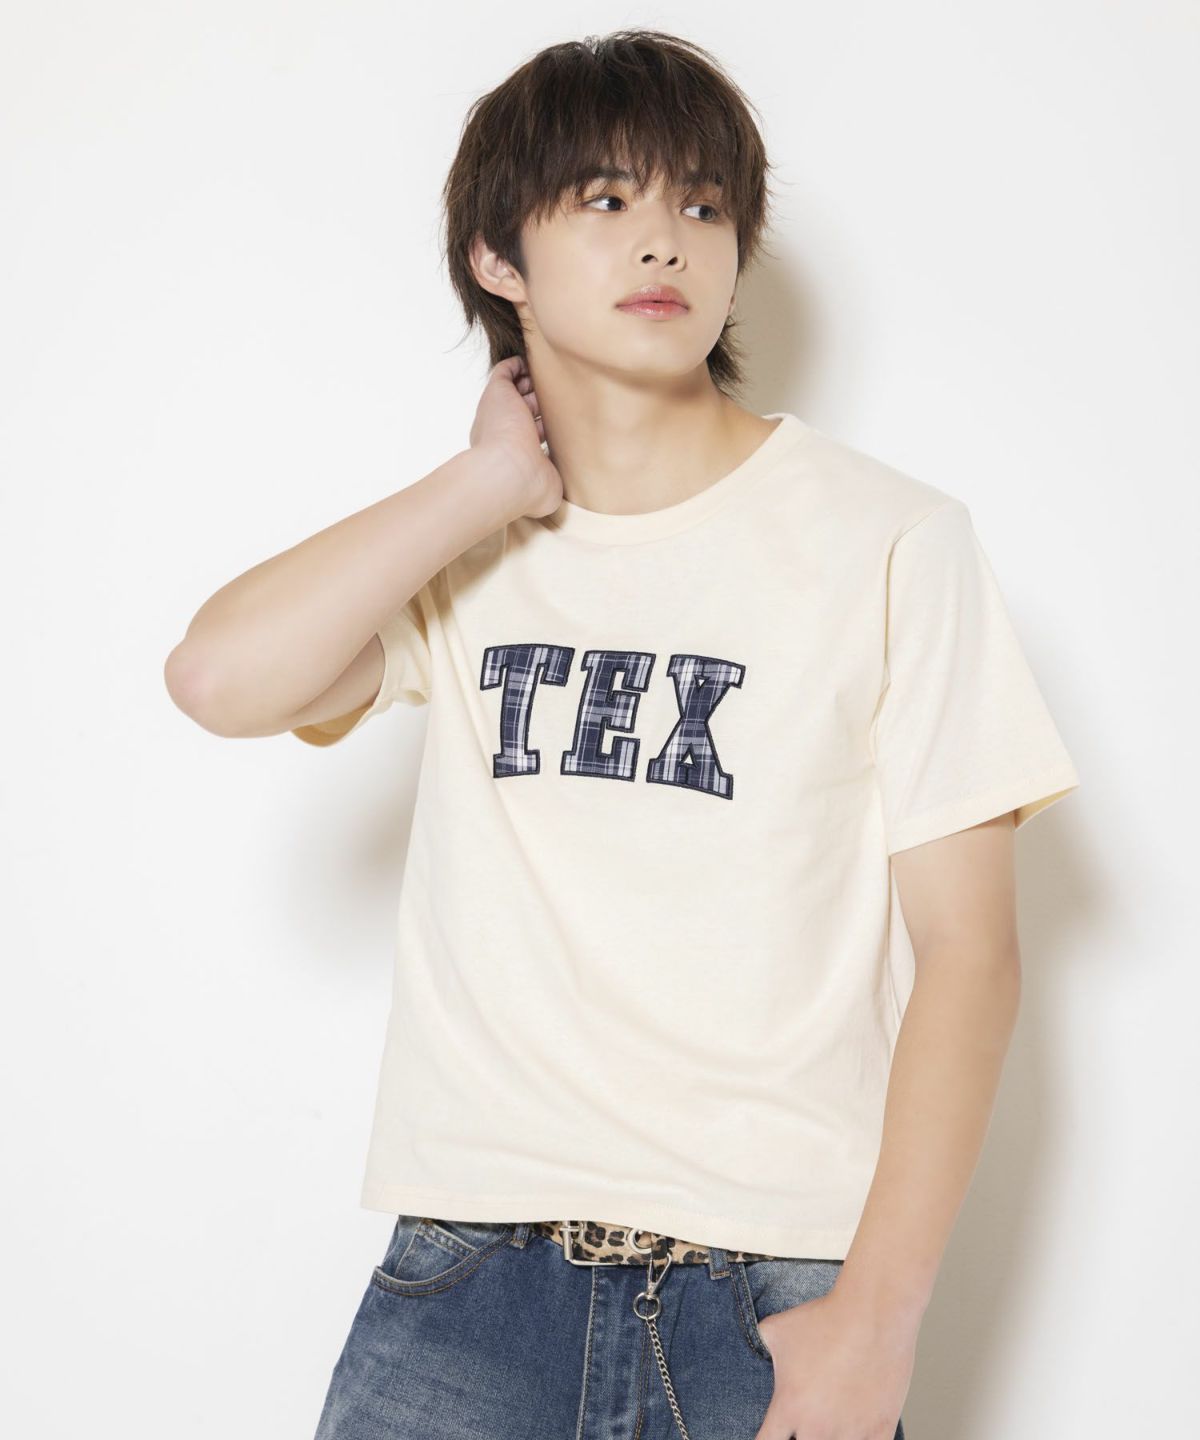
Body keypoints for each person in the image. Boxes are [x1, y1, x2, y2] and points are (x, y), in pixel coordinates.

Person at [165, 28, 1080, 1440]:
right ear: (499, 259)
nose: (665, 238)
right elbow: (220, 678)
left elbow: (972, 954)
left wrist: (877, 1323)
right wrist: (483, 485)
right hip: (467, 1278)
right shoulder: (463, 556)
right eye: (605, 199)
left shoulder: (891, 539)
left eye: (701, 205)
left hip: (771, 1292)